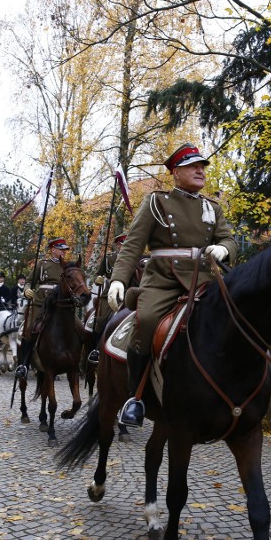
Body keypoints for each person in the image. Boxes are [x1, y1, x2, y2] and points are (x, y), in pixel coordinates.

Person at [107, 143, 237, 427]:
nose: (200, 170)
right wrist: (118, 278)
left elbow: (228, 239)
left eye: (202, 166)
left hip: (205, 279)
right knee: (148, 320)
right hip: (164, 280)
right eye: (193, 166)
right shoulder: (157, 202)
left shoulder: (212, 207)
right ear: (176, 172)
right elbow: (133, 245)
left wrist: (224, 250)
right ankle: (135, 397)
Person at [17, 237, 70, 378]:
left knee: (78, 328)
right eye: (61, 249)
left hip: (61, 303)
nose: (64, 252)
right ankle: (23, 364)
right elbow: (29, 281)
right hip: (41, 302)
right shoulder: (42, 264)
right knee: (29, 329)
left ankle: (78, 361)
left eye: (65, 250)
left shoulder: (68, 266)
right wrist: (27, 290)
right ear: (53, 250)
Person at [88, 233, 127, 364]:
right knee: (101, 319)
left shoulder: (136, 258)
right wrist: (98, 279)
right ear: (117, 245)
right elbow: (99, 274)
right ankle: (96, 350)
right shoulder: (109, 258)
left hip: (129, 292)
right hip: (110, 293)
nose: (124, 246)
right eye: (122, 244)